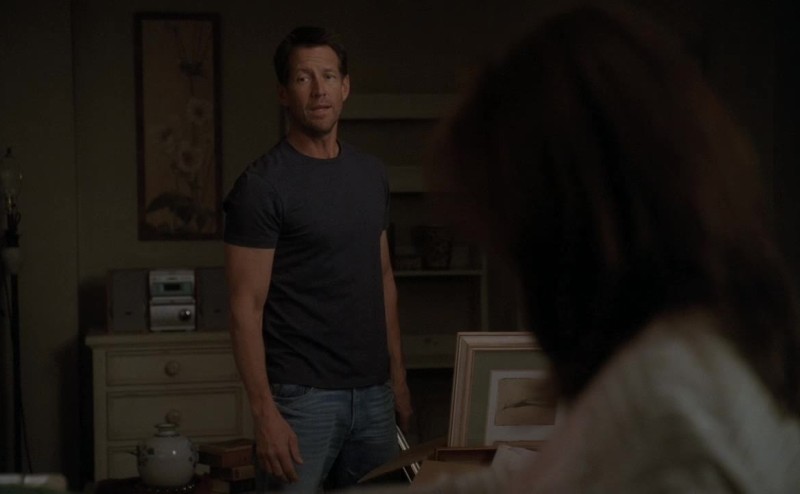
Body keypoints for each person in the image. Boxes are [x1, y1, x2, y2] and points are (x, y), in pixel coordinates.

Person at [350, 3, 800, 493]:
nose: (520, 278)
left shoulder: (668, 414)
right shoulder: (685, 347)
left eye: (518, 244)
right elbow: (558, 471)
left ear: (569, 231)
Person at [223, 26, 413, 492]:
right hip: (301, 400)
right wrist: (264, 414)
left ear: (345, 87)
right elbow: (244, 308)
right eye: (303, 78)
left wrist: (399, 379)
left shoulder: (371, 174)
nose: (318, 89)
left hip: (375, 396)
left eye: (328, 76)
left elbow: (383, 278)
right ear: (283, 93)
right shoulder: (262, 186)